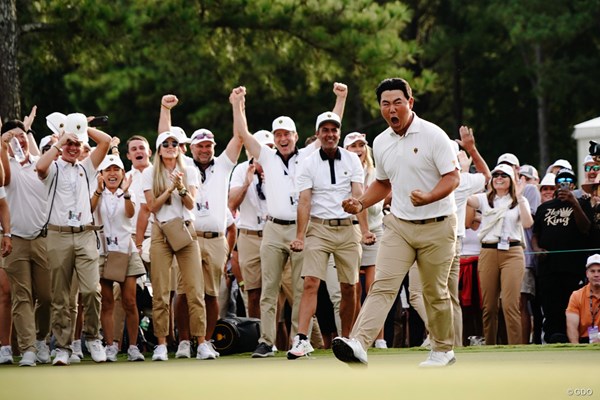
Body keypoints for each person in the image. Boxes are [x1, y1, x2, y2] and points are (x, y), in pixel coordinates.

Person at [333, 77, 460, 367]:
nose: (391, 109)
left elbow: (453, 177)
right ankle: (359, 344)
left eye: (397, 102)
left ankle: (443, 350)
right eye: (385, 103)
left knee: (434, 292)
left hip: (438, 224)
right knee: (382, 285)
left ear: (410, 103)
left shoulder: (434, 135)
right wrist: (361, 202)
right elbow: (383, 183)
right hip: (400, 225)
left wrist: (428, 197)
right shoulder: (380, 142)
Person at [231, 83, 348, 358]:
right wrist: (237, 105)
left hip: (300, 229)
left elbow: (330, 128)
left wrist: (340, 99)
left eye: (287, 134)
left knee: (299, 288)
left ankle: (298, 340)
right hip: (273, 227)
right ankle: (266, 340)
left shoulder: (308, 155)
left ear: (296, 136)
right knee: (268, 289)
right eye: (278, 134)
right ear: (274, 137)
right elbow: (243, 134)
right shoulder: (267, 156)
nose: (283, 138)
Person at [287, 112, 374, 359]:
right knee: (311, 282)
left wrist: (365, 230)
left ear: (339, 133)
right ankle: (302, 339)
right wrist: (300, 236)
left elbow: (359, 196)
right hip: (319, 228)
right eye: (324, 130)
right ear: (318, 134)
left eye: (334, 130)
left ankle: (347, 340)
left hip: (347, 227)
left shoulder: (351, 160)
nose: (329, 134)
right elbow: (304, 201)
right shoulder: (308, 162)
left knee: (350, 287)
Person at [36, 113, 111, 365]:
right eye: (69, 144)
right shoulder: (53, 166)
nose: (72, 148)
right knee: (60, 297)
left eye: (76, 145)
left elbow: (106, 141)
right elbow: (40, 167)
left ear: (81, 149)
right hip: (58, 235)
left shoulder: (87, 168)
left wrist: (81, 129)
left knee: (92, 291)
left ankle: (92, 337)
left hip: (85, 234)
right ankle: (63, 348)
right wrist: (60, 140)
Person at [143, 123, 209, 361]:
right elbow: (152, 207)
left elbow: (191, 204)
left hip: (185, 228)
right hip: (160, 230)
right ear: (159, 150)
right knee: (160, 291)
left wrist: (180, 188)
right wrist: (170, 188)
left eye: (174, 144)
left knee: (195, 289)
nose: (171, 148)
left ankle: (200, 342)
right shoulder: (149, 172)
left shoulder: (189, 169)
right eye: (166, 144)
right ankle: (161, 343)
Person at [0, 120, 51, 366]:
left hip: (43, 238)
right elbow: (6, 180)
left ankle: (41, 340)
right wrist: (2, 146)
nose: (18, 140)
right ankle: (28, 348)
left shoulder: (39, 163)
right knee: (21, 296)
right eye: (13, 137)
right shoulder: (3, 166)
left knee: (47, 295)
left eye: (22, 136)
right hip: (16, 239)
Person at [467, 164, 533, 345]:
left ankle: (516, 348)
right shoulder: (484, 199)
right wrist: (467, 171)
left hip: (512, 252)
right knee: (488, 306)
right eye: (496, 174)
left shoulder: (519, 200)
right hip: (488, 251)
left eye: (504, 175)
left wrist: (519, 197)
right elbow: (463, 196)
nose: (499, 177)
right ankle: (489, 346)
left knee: (510, 305)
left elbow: (527, 223)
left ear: (511, 179)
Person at [92, 155, 146, 361]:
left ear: (123, 174)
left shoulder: (129, 193)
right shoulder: (97, 192)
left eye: (117, 170)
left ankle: (132, 347)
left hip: (126, 250)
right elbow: (90, 209)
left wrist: (124, 193)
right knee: (107, 302)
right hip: (104, 251)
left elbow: (131, 214)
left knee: (130, 301)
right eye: (108, 170)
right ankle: (110, 345)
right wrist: (98, 190)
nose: (112, 173)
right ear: (102, 174)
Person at [532, 168, 592, 343]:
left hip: (572, 267)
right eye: (561, 180)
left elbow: (585, 228)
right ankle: (553, 337)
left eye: (568, 180)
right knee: (551, 305)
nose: (564, 183)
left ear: (573, 184)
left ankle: (571, 336)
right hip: (548, 266)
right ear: (556, 184)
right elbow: (536, 234)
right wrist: (536, 248)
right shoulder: (544, 207)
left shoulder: (582, 203)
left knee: (571, 304)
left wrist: (574, 203)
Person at [343, 132, 386, 347]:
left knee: (374, 287)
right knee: (354, 289)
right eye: (353, 146)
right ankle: (357, 337)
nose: (358, 149)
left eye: (361, 145)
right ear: (346, 150)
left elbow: (378, 206)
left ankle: (379, 339)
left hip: (375, 232)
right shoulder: (343, 172)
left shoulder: (376, 173)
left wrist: (367, 198)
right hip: (350, 232)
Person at [228, 130, 274, 318]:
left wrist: (270, 181)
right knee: (253, 291)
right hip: (249, 234)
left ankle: (282, 340)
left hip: (273, 232)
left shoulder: (279, 169)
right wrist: (247, 183)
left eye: (269, 148)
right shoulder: (241, 169)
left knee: (276, 291)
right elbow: (231, 203)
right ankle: (257, 334)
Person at [566, 254, 600, 344]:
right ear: (587, 274)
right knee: (556, 338)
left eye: (599, 271)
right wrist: (576, 349)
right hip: (583, 341)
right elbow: (571, 326)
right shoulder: (577, 295)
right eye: (592, 271)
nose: (596, 275)